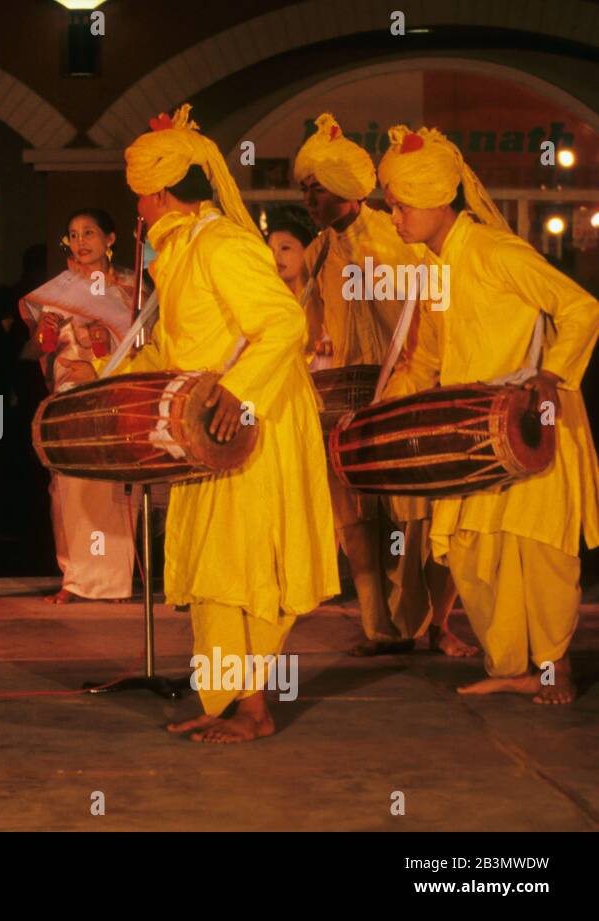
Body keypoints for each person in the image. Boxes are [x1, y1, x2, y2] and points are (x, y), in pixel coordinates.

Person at [95, 104, 339, 742]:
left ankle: (253, 709)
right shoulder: (180, 254)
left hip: (251, 428)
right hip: (207, 432)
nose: (138, 212)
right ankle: (226, 699)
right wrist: (109, 375)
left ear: (159, 193)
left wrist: (235, 392)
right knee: (211, 572)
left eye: (140, 200)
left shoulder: (223, 244)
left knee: (239, 567)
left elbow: (284, 323)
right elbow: (180, 351)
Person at [378, 124, 599, 705]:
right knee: (476, 553)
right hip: (472, 433)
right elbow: (429, 353)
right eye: (390, 206)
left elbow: (579, 306)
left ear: (435, 199)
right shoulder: (432, 269)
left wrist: (552, 375)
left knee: (540, 553)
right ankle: (511, 665)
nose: (394, 217)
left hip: (531, 422)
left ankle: (555, 669)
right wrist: (391, 408)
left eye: (399, 206)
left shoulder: (496, 251)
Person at [295, 113, 473, 659]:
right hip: (345, 394)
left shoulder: (397, 237)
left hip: (406, 389)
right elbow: (309, 327)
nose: (310, 201)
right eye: (305, 190)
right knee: (355, 521)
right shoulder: (318, 251)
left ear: (348, 190)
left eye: (316, 189)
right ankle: (379, 629)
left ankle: (430, 624)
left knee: (416, 516)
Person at [20, 208, 139, 603]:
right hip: (70, 393)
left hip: (114, 390)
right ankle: (74, 579)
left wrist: (105, 344)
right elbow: (33, 351)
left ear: (110, 238)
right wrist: (45, 335)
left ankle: (115, 581)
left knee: (111, 486)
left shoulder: (132, 286)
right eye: (73, 234)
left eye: (90, 233)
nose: (81, 241)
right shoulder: (58, 290)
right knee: (69, 487)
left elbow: (147, 342)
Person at [264, 206, 316, 300]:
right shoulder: (265, 298)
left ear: (308, 250)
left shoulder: (322, 296)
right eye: (270, 250)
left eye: (285, 248)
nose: (275, 256)